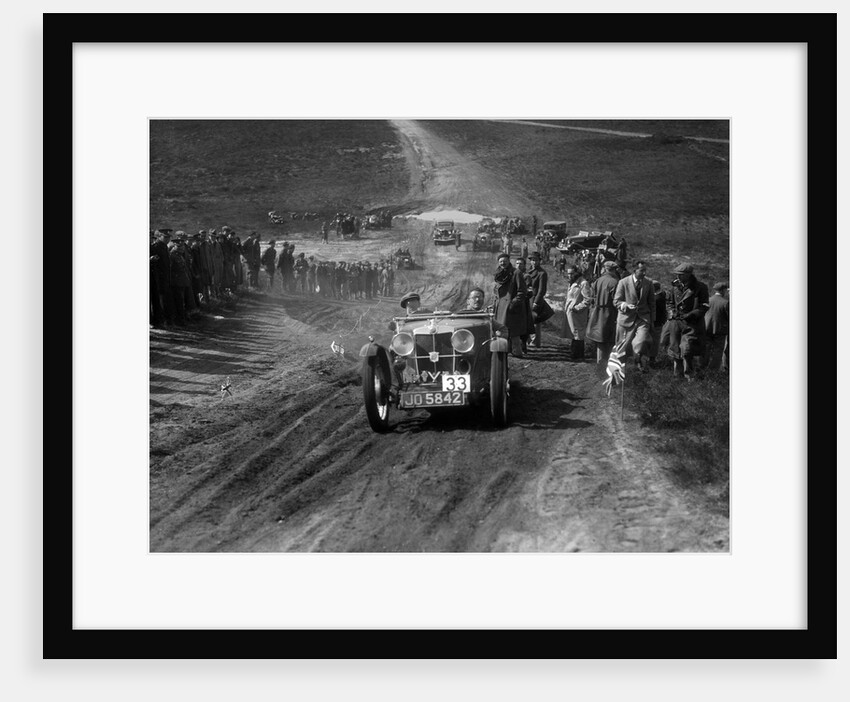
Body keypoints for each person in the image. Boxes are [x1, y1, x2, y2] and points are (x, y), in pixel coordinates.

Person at [660, 262, 710, 380]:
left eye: (681, 275)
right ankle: (677, 376)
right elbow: (669, 302)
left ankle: (689, 376)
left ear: (689, 275)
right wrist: (671, 312)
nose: (678, 277)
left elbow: (704, 306)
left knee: (687, 350)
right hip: (676, 323)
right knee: (675, 349)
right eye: (677, 274)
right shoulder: (674, 286)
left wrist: (691, 314)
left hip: (692, 324)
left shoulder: (700, 287)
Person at [613, 260, 655, 372]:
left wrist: (652, 320)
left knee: (641, 341)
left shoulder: (649, 283)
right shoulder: (623, 282)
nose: (644, 273)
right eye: (642, 270)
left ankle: (639, 361)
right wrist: (625, 305)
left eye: (645, 270)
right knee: (622, 346)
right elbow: (616, 301)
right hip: (625, 319)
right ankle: (619, 370)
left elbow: (652, 303)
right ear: (634, 270)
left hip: (643, 318)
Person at [492, 252, 531, 358]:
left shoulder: (516, 273)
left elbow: (522, 291)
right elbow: (496, 291)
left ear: (509, 261)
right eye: (500, 262)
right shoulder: (499, 274)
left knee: (514, 332)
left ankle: (517, 353)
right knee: (501, 330)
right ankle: (504, 352)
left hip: (512, 308)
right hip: (500, 307)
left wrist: (513, 303)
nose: (503, 263)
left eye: (505, 261)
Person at [585, 260, 621, 367]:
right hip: (609, 313)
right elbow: (616, 300)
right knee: (609, 339)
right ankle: (606, 364)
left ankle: (599, 362)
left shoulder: (598, 280)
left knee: (599, 338)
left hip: (597, 311)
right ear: (614, 270)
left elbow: (593, 295)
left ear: (605, 269)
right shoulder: (615, 282)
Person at [563, 264, 593, 361]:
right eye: (568, 274)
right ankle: (574, 353)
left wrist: (577, 308)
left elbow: (587, 300)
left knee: (578, 333)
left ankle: (578, 355)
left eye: (572, 273)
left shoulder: (583, 283)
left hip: (578, 313)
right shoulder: (572, 283)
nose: (569, 276)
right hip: (570, 312)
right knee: (573, 333)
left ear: (576, 273)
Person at [703, 281, 730, 371]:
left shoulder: (708, 299)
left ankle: (702, 367)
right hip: (720, 329)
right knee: (718, 351)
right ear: (723, 290)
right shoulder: (725, 303)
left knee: (706, 349)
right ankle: (713, 370)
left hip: (707, 328)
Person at [527, 252, 549, 349]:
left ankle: (535, 342)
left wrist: (536, 302)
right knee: (527, 320)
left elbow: (541, 290)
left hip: (535, 299)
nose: (534, 262)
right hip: (527, 299)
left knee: (535, 322)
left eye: (536, 260)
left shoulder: (542, 273)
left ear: (539, 261)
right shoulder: (528, 271)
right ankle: (528, 341)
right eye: (532, 260)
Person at [649, 280, 667, 362]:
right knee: (655, 340)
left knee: (654, 341)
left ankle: (651, 358)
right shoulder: (662, 295)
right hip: (659, 321)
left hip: (655, 322)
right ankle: (651, 358)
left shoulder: (656, 298)